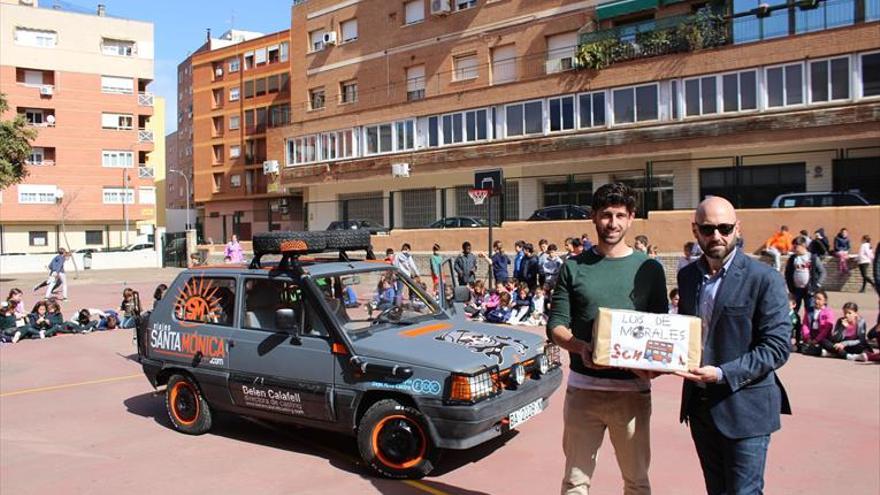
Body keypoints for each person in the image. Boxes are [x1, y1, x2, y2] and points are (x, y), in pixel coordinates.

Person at [548, 183, 668, 495]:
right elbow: (556, 325)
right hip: (583, 392)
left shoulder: (650, 269)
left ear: (631, 219)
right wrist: (579, 346)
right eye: (605, 215)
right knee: (575, 482)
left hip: (632, 393)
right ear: (593, 217)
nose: (612, 223)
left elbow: (661, 329)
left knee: (637, 482)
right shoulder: (573, 266)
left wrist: (655, 366)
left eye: (619, 215)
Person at [676, 196, 791, 495]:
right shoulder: (687, 277)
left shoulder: (764, 279)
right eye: (708, 229)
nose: (717, 236)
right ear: (695, 231)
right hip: (700, 408)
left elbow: (777, 347)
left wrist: (722, 374)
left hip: (746, 409)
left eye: (725, 228)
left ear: (737, 228)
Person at [784, 236, 826, 316]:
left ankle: (809, 327)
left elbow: (822, 272)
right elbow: (787, 273)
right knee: (793, 310)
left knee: (810, 311)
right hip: (796, 290)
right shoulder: (792, 259)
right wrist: (789, 288)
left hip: (809, 290)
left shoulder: (812, 258)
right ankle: (794, 326)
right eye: (793, 246)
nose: (794, 248)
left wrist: (817, 285)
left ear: (803, 245)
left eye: (796, 246)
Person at [800, 290, 834, 356]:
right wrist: (808, 338)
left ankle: (828, 352)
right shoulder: (809, 311)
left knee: (826, 344)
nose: (816, 301)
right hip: (811, 335)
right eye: (815, 298)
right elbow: (805, 325)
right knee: (802, 347)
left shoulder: (828, 312)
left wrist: (817, 339)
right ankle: (819, 351)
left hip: (823, 337)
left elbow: (827, 329)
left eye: (819, 299)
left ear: (825, 301)